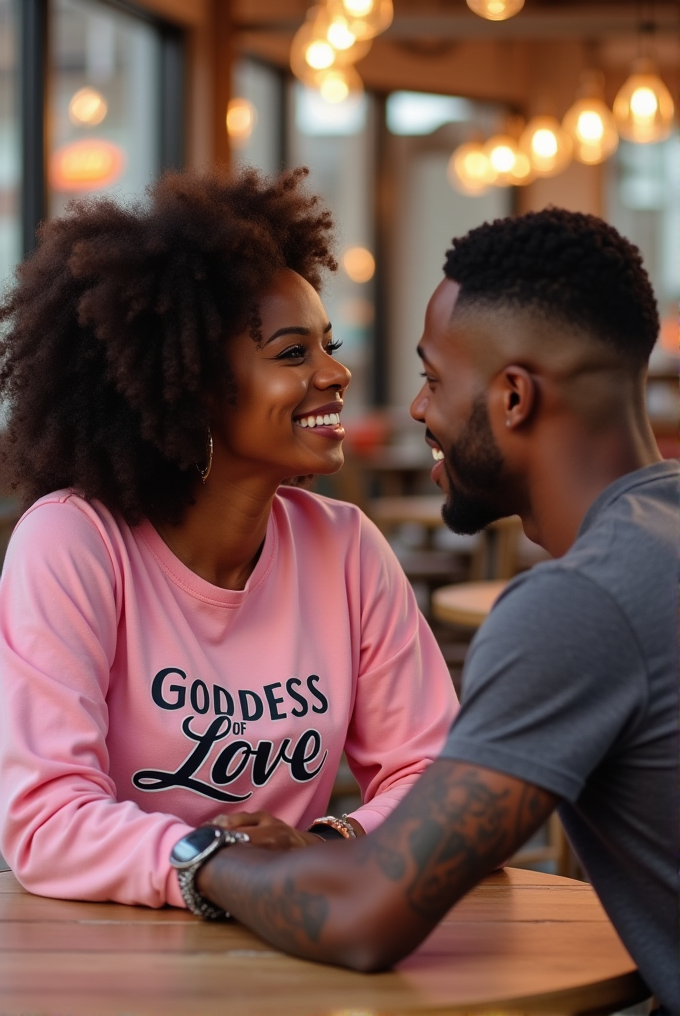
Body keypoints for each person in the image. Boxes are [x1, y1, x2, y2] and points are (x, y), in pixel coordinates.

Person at [179, 209, 679, 1014]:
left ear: (513, 397)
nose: (417, 409)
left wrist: (205, 853)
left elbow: (364, 920)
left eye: (435, 379)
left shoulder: (579, 605)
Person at [0, 168, 458, 910]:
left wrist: (322, 847)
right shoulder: (72, 544)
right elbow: (47, 821)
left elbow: (436, 775)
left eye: (327, 346)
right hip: (105, 953)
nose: (335, 373)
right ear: (190, 389)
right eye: (292, 353)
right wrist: (220, 865)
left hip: (292, 931)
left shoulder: (344, 547)